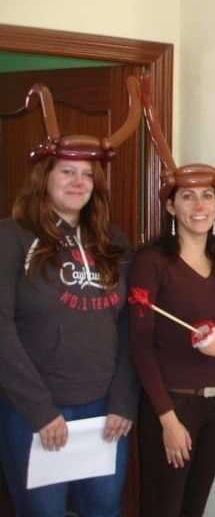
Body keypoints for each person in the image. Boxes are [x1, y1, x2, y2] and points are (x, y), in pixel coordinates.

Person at [0, 79, 141, 516]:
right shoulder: (11, 237)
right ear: (44, 177)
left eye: (87, 174)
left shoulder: (113, 244)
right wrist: (40, 411)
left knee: (103, 510)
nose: (78, 181)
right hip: (34, 412)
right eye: (67, 171)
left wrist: (122, 400)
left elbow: (130, 327)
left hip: (104, 413)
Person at [129, 86, 215, 517]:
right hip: (173, 403)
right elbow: (140, 345)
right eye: (187, 196)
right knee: (164, 509)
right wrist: (166, 418)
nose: (199, 205)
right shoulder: (152, 262)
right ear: (172, 207)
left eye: (208, 196)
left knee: (194, 509)